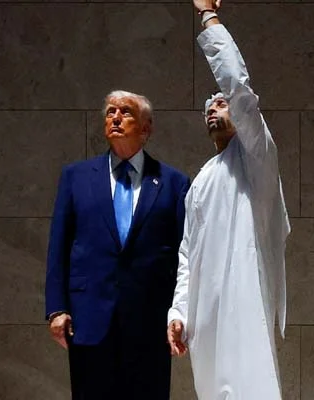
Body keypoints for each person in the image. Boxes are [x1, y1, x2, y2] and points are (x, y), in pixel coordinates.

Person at [166, 2, 291, 399]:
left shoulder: (256, 156)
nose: (212, 109)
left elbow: (238, 87)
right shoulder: (202, 180)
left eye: (221, 104)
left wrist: (209, 18)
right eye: (208, 107)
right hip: (206, 317)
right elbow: (188, 254)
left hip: (243, 303)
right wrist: (179, 312)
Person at [46, 90, 190, 399]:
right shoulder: (76, 177)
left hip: (149, 322)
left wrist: (180, 312)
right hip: (89, 318)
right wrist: (56, 308)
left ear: (146, 128)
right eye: (110, 111)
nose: (115, 117)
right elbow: (59, 245)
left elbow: (184, 254)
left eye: (125, 112)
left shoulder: (173, 183)